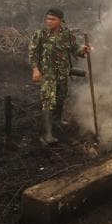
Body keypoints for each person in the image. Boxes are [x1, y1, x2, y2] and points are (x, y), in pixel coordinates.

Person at [28, 8, 89, 145]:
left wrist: (83, 50)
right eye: (47, 19)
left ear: (60, 21)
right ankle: (47, 134)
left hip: (63, 73)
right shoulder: (40, 34)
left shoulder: (67, 34)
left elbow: (75, 49)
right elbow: (33, 54)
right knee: (48, 100)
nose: (49, 22)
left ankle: (58, 120)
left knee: (61, 97)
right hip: (48, 74)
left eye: (52, 19)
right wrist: (35, 70)